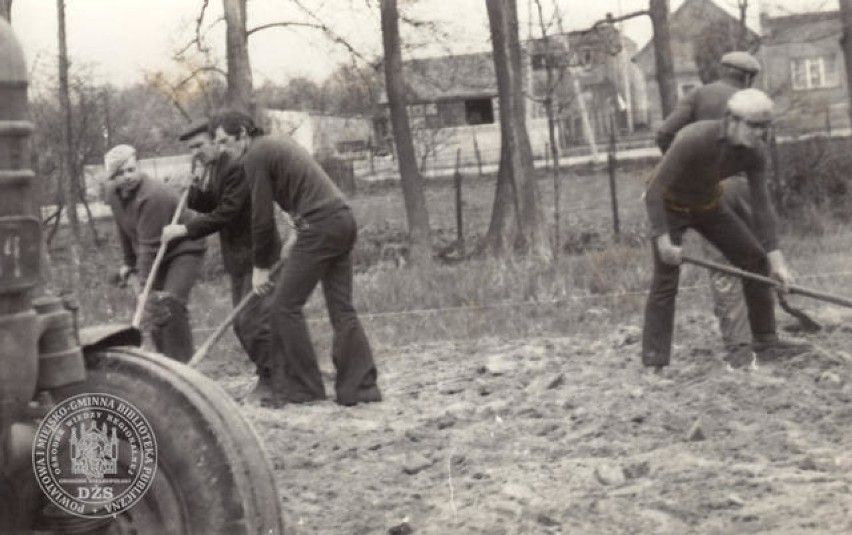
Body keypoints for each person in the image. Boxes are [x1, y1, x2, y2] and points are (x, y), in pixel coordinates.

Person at [210, 109, 381, 407]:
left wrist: (260, 267)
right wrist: (295, 231)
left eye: (225, 142)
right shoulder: (275, 144)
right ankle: (361, 387)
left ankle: (304, 388)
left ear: (242, 134)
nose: (223, 149)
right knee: (341, 308)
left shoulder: (255, 155)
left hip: (321, 226)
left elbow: (261, 218)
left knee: (282, 307)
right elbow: (299, 190)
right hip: (341, 220)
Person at [642, 89, 811, 370]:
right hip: (670, 207)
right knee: (665, 280)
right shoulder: (694, 138)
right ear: (732, 120)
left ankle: (765, 340)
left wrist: (777, 261)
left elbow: (762, 205)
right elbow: (653, 192)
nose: (760, 134)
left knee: (755, 259)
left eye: (765, 127)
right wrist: (663, 241)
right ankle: (654, 362)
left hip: (708, 205)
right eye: (754, 126)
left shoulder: (755, 152)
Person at [654, 51, 763, 368]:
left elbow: (664, 133)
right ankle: (763, 338)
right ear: (747, 77)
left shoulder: (697, 95)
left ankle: (740, 351)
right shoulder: (753, 102)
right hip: (745, 188)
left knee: (724, 270)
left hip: (712, 190)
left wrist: (682, 167)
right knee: (755, 261)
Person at [161, 121, 281, 400]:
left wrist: (185, 230)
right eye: (191, 149)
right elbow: (207, 204)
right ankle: (269, 376)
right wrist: (193, 187)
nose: (196, 152)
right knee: (243, 323)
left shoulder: (236, 167)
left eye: (200, 145)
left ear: (215, 141)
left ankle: (275, 381)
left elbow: (227, 212)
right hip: (237, 258)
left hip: (258, 254)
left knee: (252, 321)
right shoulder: (212, 167)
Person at [104, 144, 206, 363]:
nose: (128, 177)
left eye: (131, 169)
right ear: (112, 177)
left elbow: (149, 245)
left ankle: (184, 369)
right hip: (158, 249)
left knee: (169, 304)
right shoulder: (112, 194)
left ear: (138, 165)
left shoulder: (152, 196)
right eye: (121, 174)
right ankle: (166, 364)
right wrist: (129, 264)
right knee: (154, 311)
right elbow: (124, 229)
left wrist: (143, 287)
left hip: (184, 248)